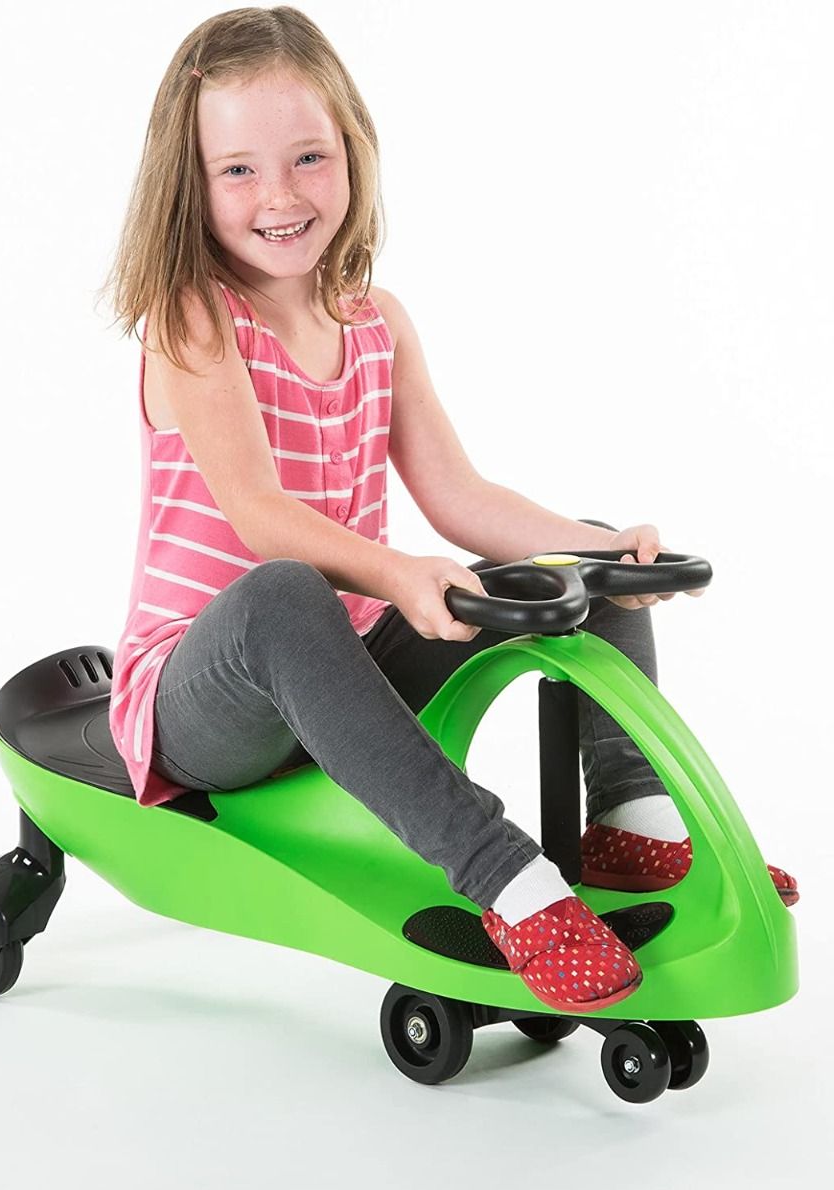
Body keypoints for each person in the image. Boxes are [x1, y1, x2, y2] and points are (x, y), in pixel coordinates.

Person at [100, 6, 797, 1015]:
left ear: (353, 152)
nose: (281, 196)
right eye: (238, 170)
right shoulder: (195, 319)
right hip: (209, 695)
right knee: (284, 592)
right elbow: (258, 515)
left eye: (308, 158)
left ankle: (631, 823)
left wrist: (601, 549)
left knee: (568, 569)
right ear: (189, 183)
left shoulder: (375, 321)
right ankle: (509, 880)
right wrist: (395, 573)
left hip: (346, 651)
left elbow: (458, 495)